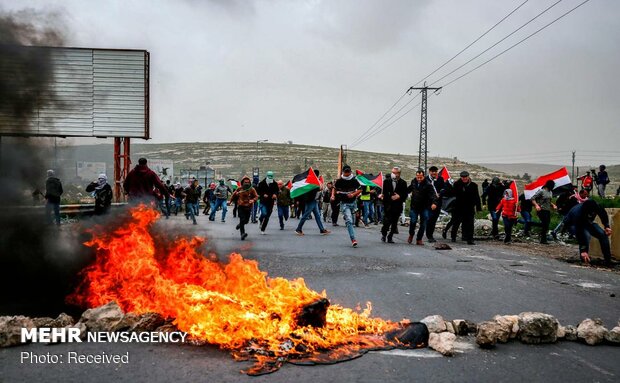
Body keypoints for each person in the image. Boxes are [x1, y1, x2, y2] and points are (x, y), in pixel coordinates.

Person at [564, 199, 613, 266]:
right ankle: (584, 257)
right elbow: (580, 232)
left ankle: (608, 260)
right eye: (590, 212)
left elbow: (603, 214)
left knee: (603, 235)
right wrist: (583, 249)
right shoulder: (578, 213)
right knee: (586, 236)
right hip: (572, 223)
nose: (592, 213)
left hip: (587, 222)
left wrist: (606, 226)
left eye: (593, 212)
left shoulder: (597, 206)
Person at [333, 165, 362, 247]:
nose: (347, 174)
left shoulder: (354, 180)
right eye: (345, 172)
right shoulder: (339, 181)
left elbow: (360, 189)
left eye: (348, 172)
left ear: (350, 172)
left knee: (353, 221)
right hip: (344, 203)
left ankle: (352, 217)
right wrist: (333, 195)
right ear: (343, 172)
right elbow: (334, 188)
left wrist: (353, 194)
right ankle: (353, 239)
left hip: (353, 203)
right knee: (349, 221)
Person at [295, 170, 331, 236]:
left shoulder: (311, 180)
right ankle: (298, 229)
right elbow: (318, 188)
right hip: (310, 200)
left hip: (314, 200)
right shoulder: (311, 181)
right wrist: (320, 185)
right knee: (306, 215)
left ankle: (322, 229)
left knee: (317, 216)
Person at [407, 170, 438, 245]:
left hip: (424, 207)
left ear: (423, 176)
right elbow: (408, 190)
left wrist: (434, 203)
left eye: (421, 177)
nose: (419, 179)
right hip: (414, 206)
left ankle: (419, 239)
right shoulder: (413, 182)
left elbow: (433, 195)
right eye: (418, 177)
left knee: (423, 223)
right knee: (413, 221)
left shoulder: (428, 184)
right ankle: (411, 234)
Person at [450, 171, 481, 245]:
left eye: (465, 177)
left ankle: (470, 239)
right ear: (461, 177)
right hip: (458, 207)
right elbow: (452, 195)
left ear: (468, 177)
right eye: (463, 177)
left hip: (469, 208)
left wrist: (478, 207)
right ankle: (453, 236)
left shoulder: (473, 185)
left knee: (470, 224)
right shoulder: (457, 184)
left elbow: (477, 197)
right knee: (456, 223)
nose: (464, 178)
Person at [380, 167, 408, 243]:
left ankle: (390, 236)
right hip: (388, 205)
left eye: (395, 173)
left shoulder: (403, 183)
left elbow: (405, 194)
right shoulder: (386, 181)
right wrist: (390, 197)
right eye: (392, 172)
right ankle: (384, 234)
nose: (393, 174)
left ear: (399, 174)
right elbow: (385, 193)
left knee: (394, 222)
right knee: (387, 221)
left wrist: (399, 196)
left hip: (397, 206)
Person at [230, 176, 258, 240]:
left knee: (246, 221)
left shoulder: (252, 189)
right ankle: (242, 234)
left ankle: (240, 225)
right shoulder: (239, 189)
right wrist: (230, 201)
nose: (246, 183)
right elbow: (233, 195)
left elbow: (256, 196)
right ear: (242, 182)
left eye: (248, 182)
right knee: (242, 219)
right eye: (245, 182)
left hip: (248, 207)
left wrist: (253, 200)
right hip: (241, 206)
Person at [531, 180, 557, 244]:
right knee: (545, 224)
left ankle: (532, 224)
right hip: (541, 209)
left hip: (547, 210)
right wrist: (536, 205)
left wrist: (553, 205)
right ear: (549, 185)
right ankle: (543, 240)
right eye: (553, 185)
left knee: (546, 224)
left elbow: (548, 200)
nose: (553, 187)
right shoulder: (541, 191)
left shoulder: (550, 192)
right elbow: (532, 198)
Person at [425, 166, 445, 243]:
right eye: (432, 171)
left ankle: (430, 234)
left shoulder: (440, 179)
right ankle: (429, 235)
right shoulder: (426, 179)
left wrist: (440, 193)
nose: (434, 173)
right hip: (428, 203)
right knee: (429, 219)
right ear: (429, 171)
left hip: (438, 202)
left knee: (433, 220)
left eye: (435, 171)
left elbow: (443, 188)